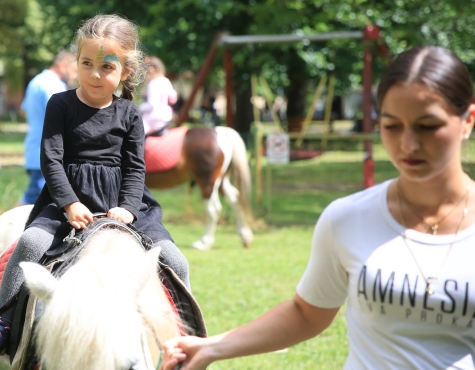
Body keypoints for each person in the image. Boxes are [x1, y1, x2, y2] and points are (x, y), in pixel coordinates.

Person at [162, 45, 475, 370]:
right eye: (392, 126)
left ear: (467, 120)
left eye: (427, 126)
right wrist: (211, 347)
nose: (408, 144)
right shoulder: (347, 219)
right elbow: (306, 313)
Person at [0, 14, 191, 358]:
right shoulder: (61, 104)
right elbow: (51, 160)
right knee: (30, 243)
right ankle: (2, 322)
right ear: (76, 64)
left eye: (106, 66)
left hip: (123, 204)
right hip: (68, 202)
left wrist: (129, 209)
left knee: (176, 260)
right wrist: (69, 204)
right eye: (87, 63)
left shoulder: (130, 114)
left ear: (125, 71)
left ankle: (182, 337)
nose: (95, 74)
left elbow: (135, 168)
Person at [18, 50, 78, 205]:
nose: (75, 76)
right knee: (42, 202)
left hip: (34, 149)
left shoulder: (37, 81)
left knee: (33, 200)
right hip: (48, 154)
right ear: (63, 65)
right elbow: (66, 117)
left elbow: (23, 110)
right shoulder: (53, 85)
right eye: (73, 71)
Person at [140, 56, 178, 136]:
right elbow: (173, 97)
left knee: (134, 134)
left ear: (151, 69)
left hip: (154, 120)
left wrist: (140, 108)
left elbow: (152, 104)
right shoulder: (166, 81)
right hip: (166, 118)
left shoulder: (153, 83)